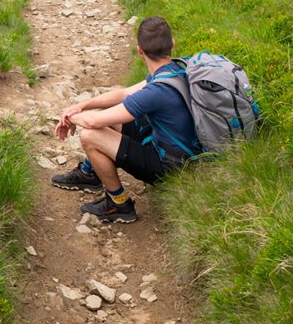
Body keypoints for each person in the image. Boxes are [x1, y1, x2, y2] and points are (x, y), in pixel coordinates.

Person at [51, 15, 200, 222]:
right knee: (112, 115)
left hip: (170, 168)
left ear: (140, 50)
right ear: (172, 44)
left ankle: (118, 204)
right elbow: (124, 94)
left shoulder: (157, 91)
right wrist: (82, 106)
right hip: (183, 153)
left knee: (90, 136)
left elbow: (94, 123)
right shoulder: (176, 70)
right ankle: (90, 173)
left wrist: (70, 117)